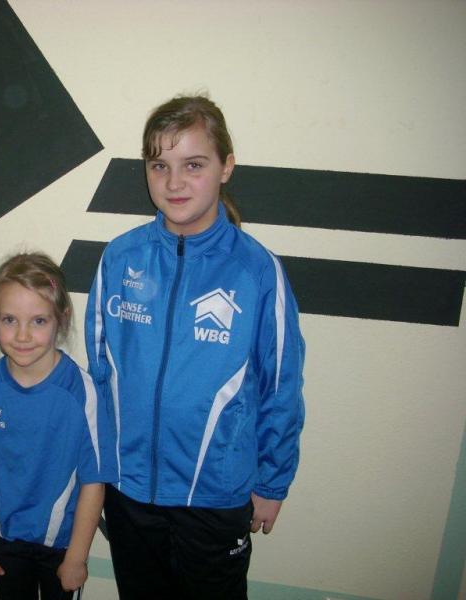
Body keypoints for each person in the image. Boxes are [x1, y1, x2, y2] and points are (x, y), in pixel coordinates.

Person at [85, 94, 306, 599]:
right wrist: (97, 474)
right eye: (159, 165)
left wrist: (272, 483)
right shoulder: (120, 258)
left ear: (226, 167)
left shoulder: (256, 271)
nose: (174, 182)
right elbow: (99, 375)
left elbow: (281, 385)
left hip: (214, 496)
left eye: (194, 165)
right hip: (128, 491)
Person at [0, 252, 116, 600]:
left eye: (38, 320)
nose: (22, 335)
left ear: (61, 319)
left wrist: (78, 557)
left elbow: (94, 481)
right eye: (9, 319)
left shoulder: (82, 393)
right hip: (3, 541)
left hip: (62, 546)